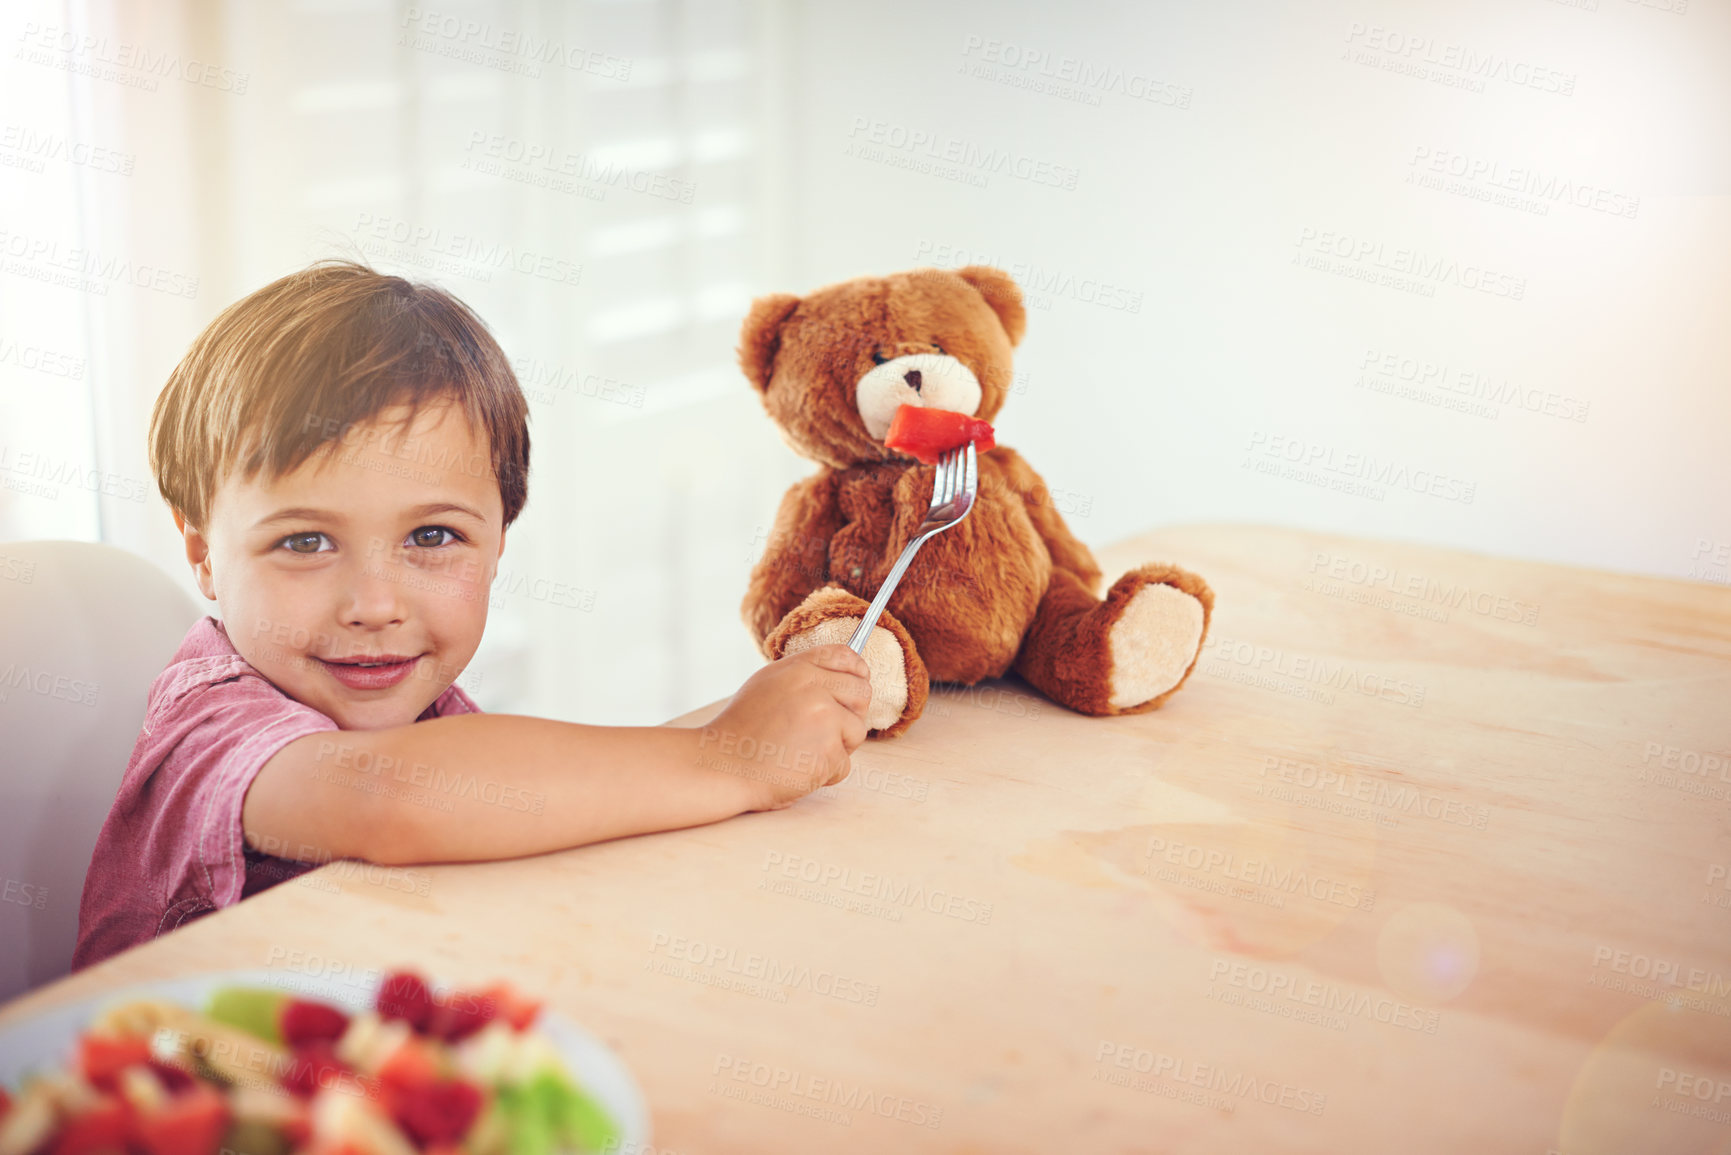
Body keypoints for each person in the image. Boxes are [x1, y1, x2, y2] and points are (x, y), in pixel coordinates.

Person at [72, 259, 872, 969]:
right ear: (205, 553)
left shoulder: (428, 710)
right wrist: (725, 758)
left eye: (431, 536)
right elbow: (387, 800)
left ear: (498, 541)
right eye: (305, 540)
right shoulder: (210, 721)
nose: (374, 605)